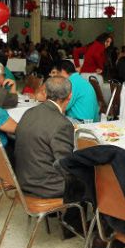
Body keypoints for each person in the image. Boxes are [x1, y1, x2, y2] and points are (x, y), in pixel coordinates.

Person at [14, 76, 87, 238]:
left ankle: (65, 220)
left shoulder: (29, 112)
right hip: (43, 186)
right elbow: (66, 165)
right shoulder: (61, 123)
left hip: (23, 179)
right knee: (92, 178)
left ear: (45, 92)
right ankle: (76, 228)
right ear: (69, 97)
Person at [54, 59, 100, 124]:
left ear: (63, 71)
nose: (57, 76)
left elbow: (63, 106)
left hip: (82, 122)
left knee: (50, 117)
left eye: (57, 73)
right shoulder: (78, 80)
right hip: (90, 120)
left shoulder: (71, 82)